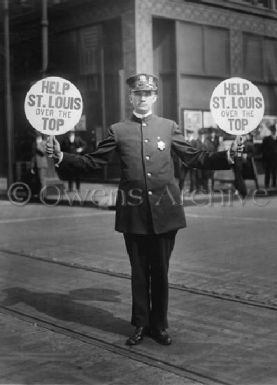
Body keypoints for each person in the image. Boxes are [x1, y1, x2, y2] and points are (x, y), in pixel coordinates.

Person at [46, 73, 242, 346]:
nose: (143, 97)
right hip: (134, 212)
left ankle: (159, 325)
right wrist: (61, 156)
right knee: (139, 271)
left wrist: (227, 156)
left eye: (148, 93)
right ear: (130, 97)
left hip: (166, 211)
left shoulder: (168, 126)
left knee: (160, 271)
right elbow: (93, 162)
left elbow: (195, 157)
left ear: (155, 97)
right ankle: (140, 323)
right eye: (138, 93)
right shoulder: (118, 130)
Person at [261, 124, 277, 189]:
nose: (274, 131)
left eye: (274, 130)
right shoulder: (266, 139)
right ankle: (267, 185)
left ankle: (274, 184)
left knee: (274, 172)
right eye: (273, 130)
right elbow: (263, 149)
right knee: (267, 172)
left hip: (275, 158)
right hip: (268, 158)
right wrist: (266, 155)